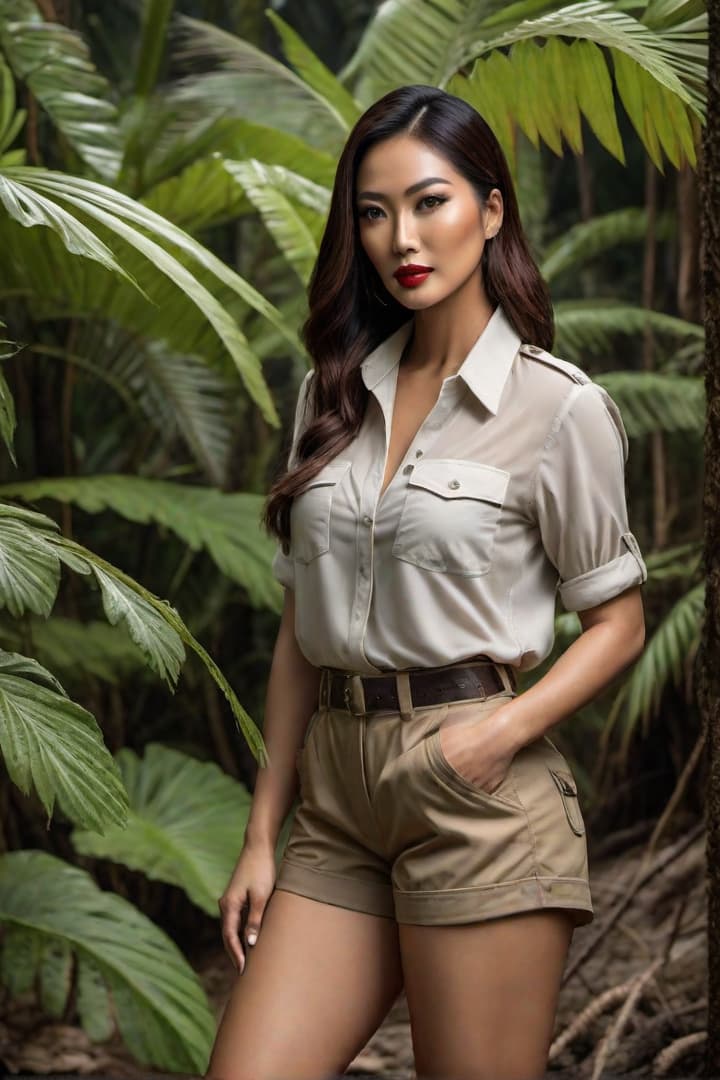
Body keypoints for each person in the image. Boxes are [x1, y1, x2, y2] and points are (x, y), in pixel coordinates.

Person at [205, 84, 647, 1080]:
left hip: (474, 794)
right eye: (373, 210)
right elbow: (295, 633)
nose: (401, 235)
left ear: (492, 212)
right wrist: (262, 835)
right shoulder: (331, 396)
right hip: (334, 799)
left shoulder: (556, 408)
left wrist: (498, 734)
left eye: (430, 201)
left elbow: (618, 621)